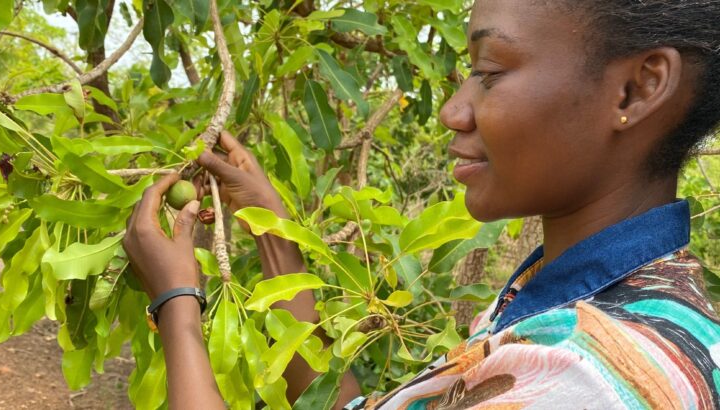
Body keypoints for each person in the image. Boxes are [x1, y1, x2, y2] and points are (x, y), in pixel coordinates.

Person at [121, 0, 720, 408]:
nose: (452, 111)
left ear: (638, 88)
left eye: (489, 72)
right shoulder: (583, 307)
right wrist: (274, 230)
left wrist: (178, 305)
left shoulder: (585, 375)